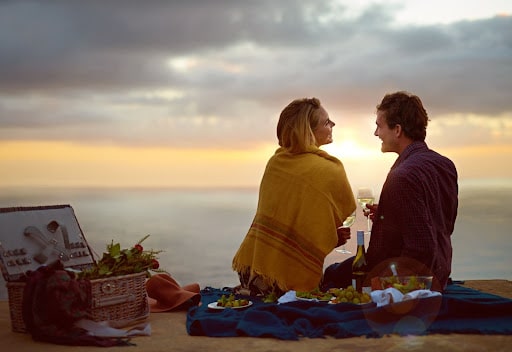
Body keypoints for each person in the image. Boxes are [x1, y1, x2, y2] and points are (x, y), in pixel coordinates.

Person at [322, 91, 458, 292]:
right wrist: (389, 216)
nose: (376, 133)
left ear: (397, 130)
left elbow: (421, 248)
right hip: (441, 270)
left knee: (331, 274)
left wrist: (383, 288)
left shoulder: (403, 175)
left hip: (409, 281)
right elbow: (442, 222)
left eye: (379, 126)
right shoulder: (445, 164)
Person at [232, 97, 356, 297]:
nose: (332, 125)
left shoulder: (276, 163)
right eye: (326, 122)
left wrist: (329, 238)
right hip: (286, 284)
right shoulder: (329, 170)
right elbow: (312, 230)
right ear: (308, 131)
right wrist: (330, 237)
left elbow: (295, 223)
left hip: (253, 272)